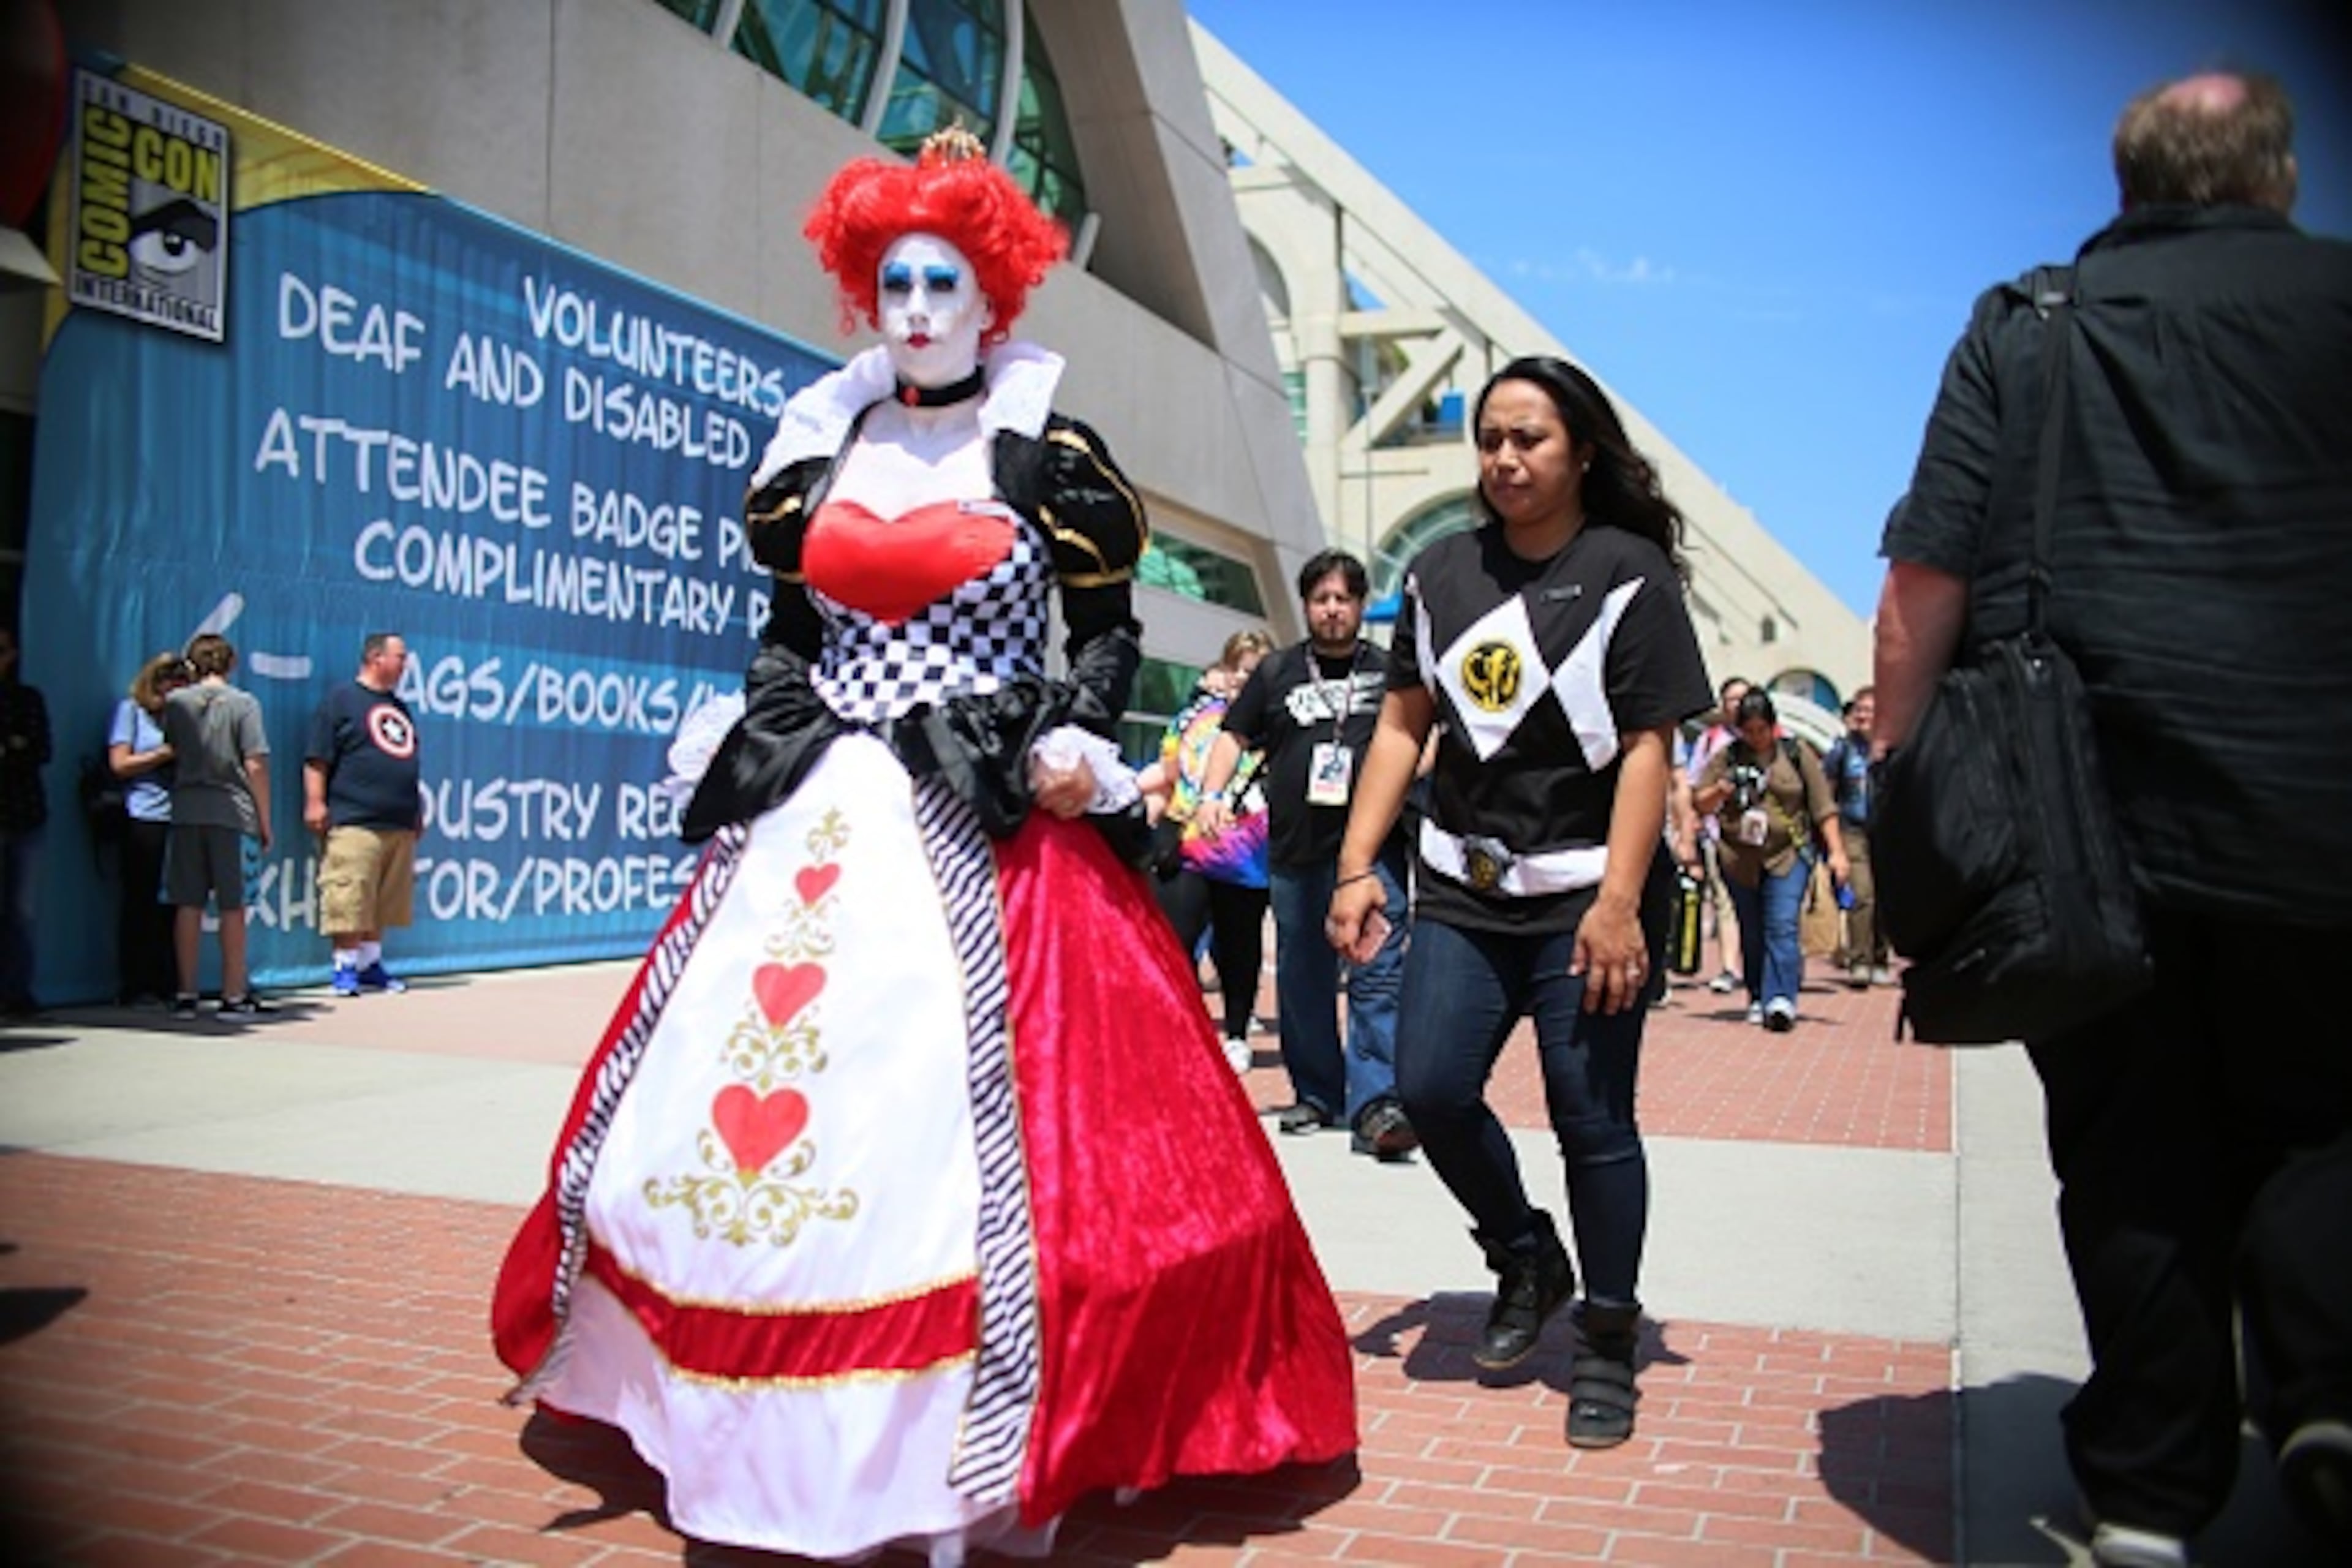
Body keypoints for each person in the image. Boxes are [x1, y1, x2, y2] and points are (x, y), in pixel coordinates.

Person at [491, 131, 1354, 1564]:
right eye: (887, 278)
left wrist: (1076, 731)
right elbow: (790, 628)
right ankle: (724, 1397)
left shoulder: (1043, 446)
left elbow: (1108, 629)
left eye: (938, 279)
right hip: (819, 801)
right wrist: (751, 717)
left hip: (979, 804)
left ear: (992, 293)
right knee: (725, 1105)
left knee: (1001, 1132)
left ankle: (969, 1422)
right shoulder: (819, 440)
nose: (909, 305)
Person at [1871, 70, 2352, 1566]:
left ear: (2127, 181)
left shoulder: (2031, 325)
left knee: (2129, 1138)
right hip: (2320, 804)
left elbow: (1920, 589)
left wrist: (1901, 783)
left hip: (2082, 820)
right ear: (2272, 177)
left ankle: (2148, 1484)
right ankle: (2327, 1391)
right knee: (2323, 1117)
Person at [1327, 355, 1712, 1449]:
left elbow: (1649, 747)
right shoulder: (1444, 572)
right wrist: (1361, 867)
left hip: (1589, 901)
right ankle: (1524, 1255)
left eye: (1529, 439)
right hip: (1461, 890)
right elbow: (1403, 727)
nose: (1504, 459)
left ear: (1581, 449)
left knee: (1594, 1124)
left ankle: (1604, 1340)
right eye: (1490, 439)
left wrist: (1622, 902)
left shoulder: (1630, 573)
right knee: (1430, 1089)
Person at [1194, 551, 1414, 1159]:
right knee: (1304, 977)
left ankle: (1377, 1104)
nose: (1333, 609)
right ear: (1307, 604)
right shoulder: (1278, 671)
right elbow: (1233, 735)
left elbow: (1424, 737)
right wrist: (1212, 794)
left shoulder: (1392, 670)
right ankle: (1318, 1093)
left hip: (1373, 855)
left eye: (1344, 598)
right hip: (1296, 852)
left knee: (1376, 974)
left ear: (1361, 604)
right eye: (1322, 599)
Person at [1137, 628, 1275, 1073]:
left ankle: (1236, 1034)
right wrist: (1150, 825)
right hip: (1187, 844)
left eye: (1252, 672)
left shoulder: (1276, 726)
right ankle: (1184, 1029)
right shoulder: (1196, 720)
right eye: (1235, 668)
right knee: (1174, 941)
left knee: (1238, 947)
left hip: (1245, 855)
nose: (1240, 678)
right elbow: (1169, 773)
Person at [1692, 688, 1846, 1032]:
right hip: (1739, 858)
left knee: (1782, 925)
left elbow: (1823, 807)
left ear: (1774, 727)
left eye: (1763, 730)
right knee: (1753, 929)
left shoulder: (1795, 753)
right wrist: (1721, 790)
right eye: (1749, 731)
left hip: (1788, 854)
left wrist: (1837, 852)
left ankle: (1782, 998)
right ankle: (1758, 994)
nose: (1756, 738)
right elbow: (1700, 802)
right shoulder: (1727, 757)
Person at [159, 633, 274, 1020]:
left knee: (187, 903)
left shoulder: (175, 703)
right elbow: (255, 763)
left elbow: (173, 748)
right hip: (233, 810)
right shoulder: (244, 704)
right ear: (230, 664)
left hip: (187, 807)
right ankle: (232, 993)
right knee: (233, 906)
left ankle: (186, 992)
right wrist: (264, 818)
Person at [304, 632, 421, 997]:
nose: (405, 664)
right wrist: (315, 801)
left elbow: (406, 759)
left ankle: (371, 964)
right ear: (376, 658)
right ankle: (344, 967)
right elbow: (317, 757)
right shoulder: (342, 700)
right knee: (349, 893)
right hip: (354, 818)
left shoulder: (399, 707)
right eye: (399, 657)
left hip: (397, 821)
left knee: (384, 898)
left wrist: (416, 809)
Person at [107, 651, 187, 1008]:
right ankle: (136, 983)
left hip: (182, 816)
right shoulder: (131, 712)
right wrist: (164, 755)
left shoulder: (184, 716)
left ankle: (169, 980)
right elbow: (120, 763)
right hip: (143, 815)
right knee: (140, 902)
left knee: (174, 905)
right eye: (168, 684)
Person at [1684, 676, 1749, 997]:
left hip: (1761, 841)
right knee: (1724, 902)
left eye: (1743, 699)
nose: (1737, 705)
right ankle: (1728, 966)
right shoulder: (1710, 741)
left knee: (1758, 906)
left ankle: (1759, 967)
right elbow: (1692, 787)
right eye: (1731, 700)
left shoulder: (1779, 739)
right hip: (1717, 834)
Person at [1820, 687, 1887, 988]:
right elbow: (1827, 791)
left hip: (1887, 830)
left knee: (1886, 896)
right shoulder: (1842, 751)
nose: (1861, 716)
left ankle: (1880, 957)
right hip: (1853, 829)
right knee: (1863, 894)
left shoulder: (1893, 748)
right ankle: (1859, 961)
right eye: (1858, 710)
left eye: (1868, 711)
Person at [0, 626, 50, 1019]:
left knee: (22, 910)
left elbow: (39, 750)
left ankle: (18, 992)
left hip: (24, 815)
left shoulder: (26, 699)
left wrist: (14, 746)